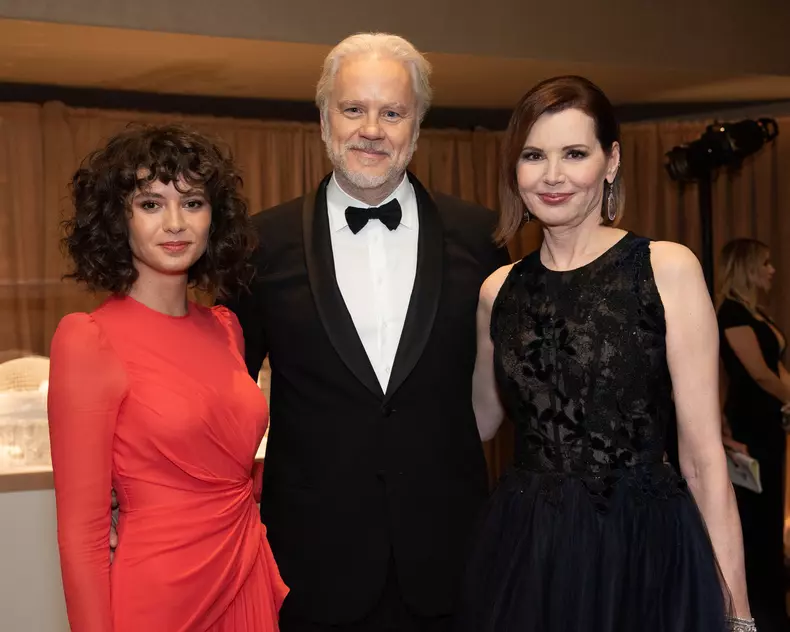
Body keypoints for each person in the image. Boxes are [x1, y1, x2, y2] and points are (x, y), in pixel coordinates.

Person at [222, 33, 510, 631]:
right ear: (325, 118)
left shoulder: (485, 239)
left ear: (417, 125)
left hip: (449, 562)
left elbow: (512, 390)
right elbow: (223, 399)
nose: (371, 128)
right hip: (310, 565)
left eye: (392, 111)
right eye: (354, 109)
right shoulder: (257, 244)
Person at [457, 75, 753, 631]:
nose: (552, 175)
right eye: (533, 155)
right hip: (529, 547)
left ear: (610, 161)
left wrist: (737, 613)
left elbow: (702, 458)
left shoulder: (666, 269)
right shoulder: (498, 290)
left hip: (641, 543)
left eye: (574, 153)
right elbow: (479, 421)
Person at [48, 124, 288, 632]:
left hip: (243, 570)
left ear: (213, 218)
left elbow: (229, 468)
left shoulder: (226, 329)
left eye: (193, 202)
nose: (175, 223)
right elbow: (81, 534)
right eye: (151, 204)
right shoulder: (88, 340)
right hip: (159, 594)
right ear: (120, 220)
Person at [717, 238, 790, 632]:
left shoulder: (753, 311)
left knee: (768, 513)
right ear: (746, 267)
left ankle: (772, 607)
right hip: (750, 429)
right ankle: (759, 611)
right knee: (757, 521)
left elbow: (775, 372)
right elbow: (759, 374)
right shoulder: (730, 314)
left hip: (766, 426)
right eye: (765, 263)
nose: (772, 270)